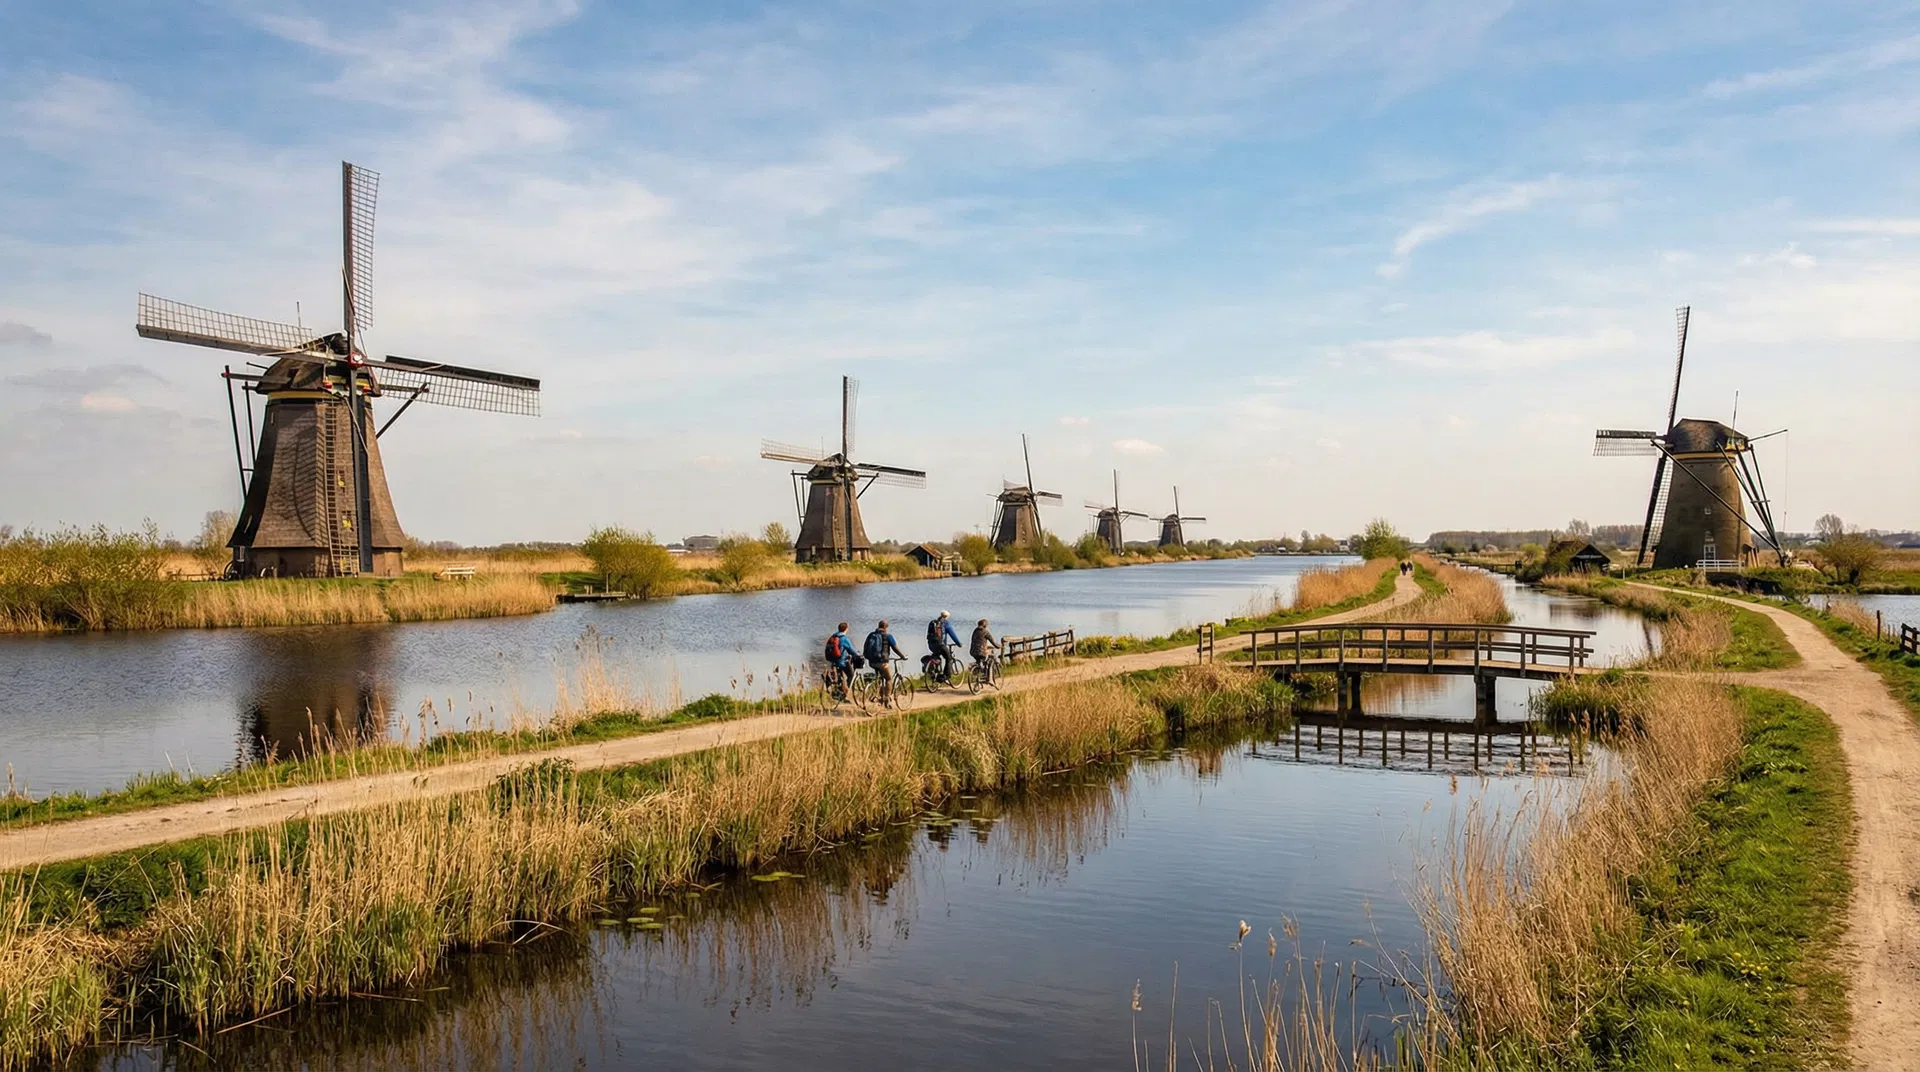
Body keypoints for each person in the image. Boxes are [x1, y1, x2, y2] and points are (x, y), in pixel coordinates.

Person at [865, 619, 906, 699]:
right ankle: (886, 698)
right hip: (882, 662)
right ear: (886, 627)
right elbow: (895, 649)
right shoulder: (888, 636)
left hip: (872, 661)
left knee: (879, 677)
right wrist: (902, 656)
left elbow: (866, 647)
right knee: (889, 679)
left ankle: (876, 695)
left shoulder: (871, 635)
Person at [927, 610, 963, 682]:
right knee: (948, 658)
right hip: (940, 645)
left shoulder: (933, 622)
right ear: (946, 617)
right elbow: (953, 635)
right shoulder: (946, 623)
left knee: (936, 656)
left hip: (931, 644)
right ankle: (946, 676)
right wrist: (959, 644)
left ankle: (934, 670)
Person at [824, 621, 855, 696]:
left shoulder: (833, 637)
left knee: (839, 678)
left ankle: (837, 691)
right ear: (846, 629)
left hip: (833, 661)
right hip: (841, 662)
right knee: (851, 674)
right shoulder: (844, 639)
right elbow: (852, 650)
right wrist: (858, 655)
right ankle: (845, 692)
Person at [970, 618, 1000, 685]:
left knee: (979, 662)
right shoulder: (985, 632)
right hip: (981, 651)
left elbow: (977, 641)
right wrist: (998, 646)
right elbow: (993, 642)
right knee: (990, 663)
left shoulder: (975, 631)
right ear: (985, 625)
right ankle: (990, 679)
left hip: (973, 651)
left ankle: (978, 675)